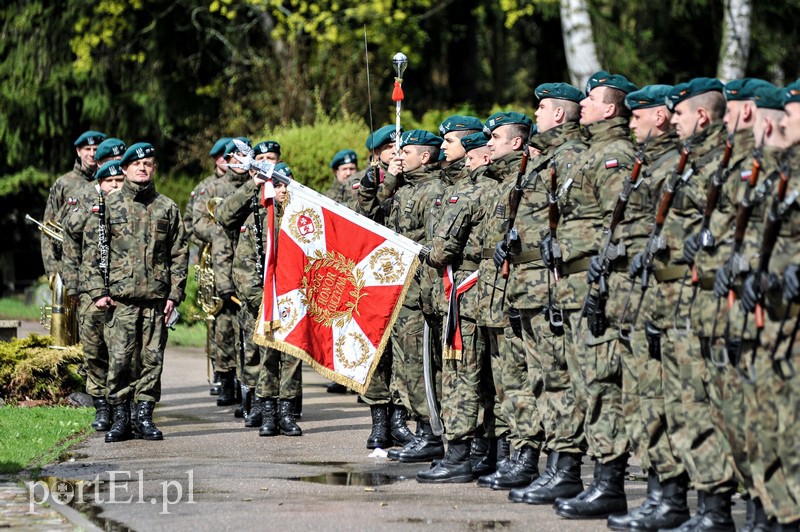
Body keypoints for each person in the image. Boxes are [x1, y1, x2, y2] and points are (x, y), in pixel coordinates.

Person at [496, 83, 591, 504]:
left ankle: (565, 467)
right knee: (539, 378)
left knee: (556, 378)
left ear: (559, 116)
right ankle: (554, 465)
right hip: (528, 282)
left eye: (542, 108)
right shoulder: (544, 158)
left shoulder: (568, 157)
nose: (535, 112)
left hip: (550, 284)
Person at [603, 85, 689, 531]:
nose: (630, 121)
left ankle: (672, 498)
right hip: (636, 296)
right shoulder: (649, 164)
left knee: (663, 400)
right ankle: (660, 495)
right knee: (642, 400)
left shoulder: (677, 165)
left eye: (639, 116)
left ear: (660, 117)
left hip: (666, 298)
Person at [88, 143, 188, 443]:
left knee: (151, 361)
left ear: (154, 169)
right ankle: (121, 418)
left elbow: (180, 253)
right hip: (120, 299)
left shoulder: (167, 208)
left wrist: (175, 294)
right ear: (126, 168)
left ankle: (144, 417)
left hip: (156, 300)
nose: (142, 168)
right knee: (119, 361)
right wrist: (97, 291)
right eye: (136, 164)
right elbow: (93, 251)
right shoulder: (110, 205)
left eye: (148, 163)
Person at [358, 129, 447, 463]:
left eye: (405, 151)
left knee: (419, 365)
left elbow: (433, 248)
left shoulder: (434, 190)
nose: (399, 155)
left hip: (418, 293)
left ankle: (430, 433)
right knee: (404, 366)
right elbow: (366, 214)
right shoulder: (403, 187)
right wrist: (389, 178)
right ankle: (419, 430)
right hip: (397, 291)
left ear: (425, 156)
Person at [470, 111, 536, 490]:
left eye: (495, 137)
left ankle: (523, 457)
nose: (488, 142)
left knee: (518, 382)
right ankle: (510, 456)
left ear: (516, 142)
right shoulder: (496, 182)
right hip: (493, 299)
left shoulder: (523, 180)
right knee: (502, 384)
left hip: (514, 297)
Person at [233, 163, 302, 437]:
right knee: (268, 358)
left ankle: (287, 413)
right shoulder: (256, 221)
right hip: (264, 303)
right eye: (279, 185)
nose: (284, 190)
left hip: (294, 302)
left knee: (292, 360)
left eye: (288, 184)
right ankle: (268, 412)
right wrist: (259, 300)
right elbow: (243, 267)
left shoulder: (302, 220)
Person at [62, 159, 126, 432]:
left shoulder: (131, 209)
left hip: (123, 291)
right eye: (109, 182)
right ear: (99, 184)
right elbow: (69, 239)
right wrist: (73, 286)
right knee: (94, 350)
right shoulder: (88, 208)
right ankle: (101, 405)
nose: (114, 186)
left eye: (118, 181)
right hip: (90, 292)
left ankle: (123, 405)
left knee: (123, 352)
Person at [193, 138, 251, 408]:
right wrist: (221, 231)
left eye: (244, 157)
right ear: (226, 160)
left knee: (247, 330)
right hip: (222, 263)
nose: (239, 162)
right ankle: (226, 379)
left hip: (250, 265)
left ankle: (246, 385)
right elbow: (197, 224)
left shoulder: (258, 184)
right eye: (234, 157)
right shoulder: (212, 187)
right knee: (225, 328)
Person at [41, 130, 107, 278]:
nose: (91, 153)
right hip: (71, 265)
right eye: (87, 149)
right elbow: (48, 228)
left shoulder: (110, 181)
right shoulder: (63, 184)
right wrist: (52, 270)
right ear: (78, 151)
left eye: (96, 149)